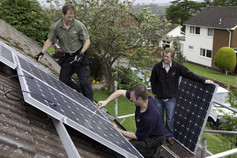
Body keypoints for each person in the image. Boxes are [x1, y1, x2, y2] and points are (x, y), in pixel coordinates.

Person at [150, 47, 213, 146]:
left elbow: (189, 74)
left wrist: (204, 81)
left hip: (171, 99)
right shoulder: (157, 67)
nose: (165, 58)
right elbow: (152, 80)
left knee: (170, 119)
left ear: (172, 58)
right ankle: (161, 137)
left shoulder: (177, 67)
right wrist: (154, 92)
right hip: (158, 99)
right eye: (164, 56)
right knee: (159, 118)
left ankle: (169, 136)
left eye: (167, 56)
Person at [35, 4, 93, 102]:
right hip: (68, 57)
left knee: (84, 82)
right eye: (68, 17)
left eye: (72, 17)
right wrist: (41, 53)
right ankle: (78, 91)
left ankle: (90, 104)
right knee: (63, 80)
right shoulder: (57, 26)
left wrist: (81, 53)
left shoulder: (78, 25)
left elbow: (87, 41)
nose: (70, 19)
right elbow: (49, 40)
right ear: (63, 14)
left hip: (80, 55)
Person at [97, 85, 165, 158]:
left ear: (139, 99)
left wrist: (118, 130)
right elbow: (120, 92)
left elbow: (138, 136)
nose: (130, 99)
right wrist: (106, 101)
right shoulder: (144, 99)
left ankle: (153, 152)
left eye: (132, 99)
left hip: (154, 138)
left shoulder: (150, 117)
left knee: (124, 151)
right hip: (147, 131)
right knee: (123, 147)